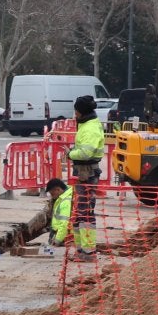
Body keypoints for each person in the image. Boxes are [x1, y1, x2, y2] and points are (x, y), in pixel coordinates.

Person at [66, 94, 104, 260]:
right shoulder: (87, 124)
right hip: (82, 172)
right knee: (80, 212)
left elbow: (86, 152)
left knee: (85, 212)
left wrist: (70, 154)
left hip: (87, 174)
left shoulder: (90, 128)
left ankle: (88, 252)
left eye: (76, 111)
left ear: (81, 112)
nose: (75, 114)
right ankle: (81, 250)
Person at [44, 178, 72, 253]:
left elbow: (64, 224)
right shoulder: (62, 198)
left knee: (47, 252)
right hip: (61, 235)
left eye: (52, 193)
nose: (52, 196)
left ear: (58, 189)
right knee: (46, 250)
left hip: (63, 238)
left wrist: (57, 240)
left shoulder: (65, 202)